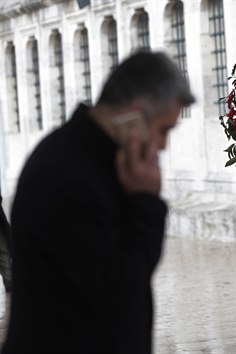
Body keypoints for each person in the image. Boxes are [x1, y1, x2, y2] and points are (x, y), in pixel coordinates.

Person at [3, 52, 195, 354]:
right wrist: (146, 202)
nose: (162, 145)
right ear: (134, 115)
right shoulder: (67, 174)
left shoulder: (100, 160)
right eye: (163, 130)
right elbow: (121, 290)